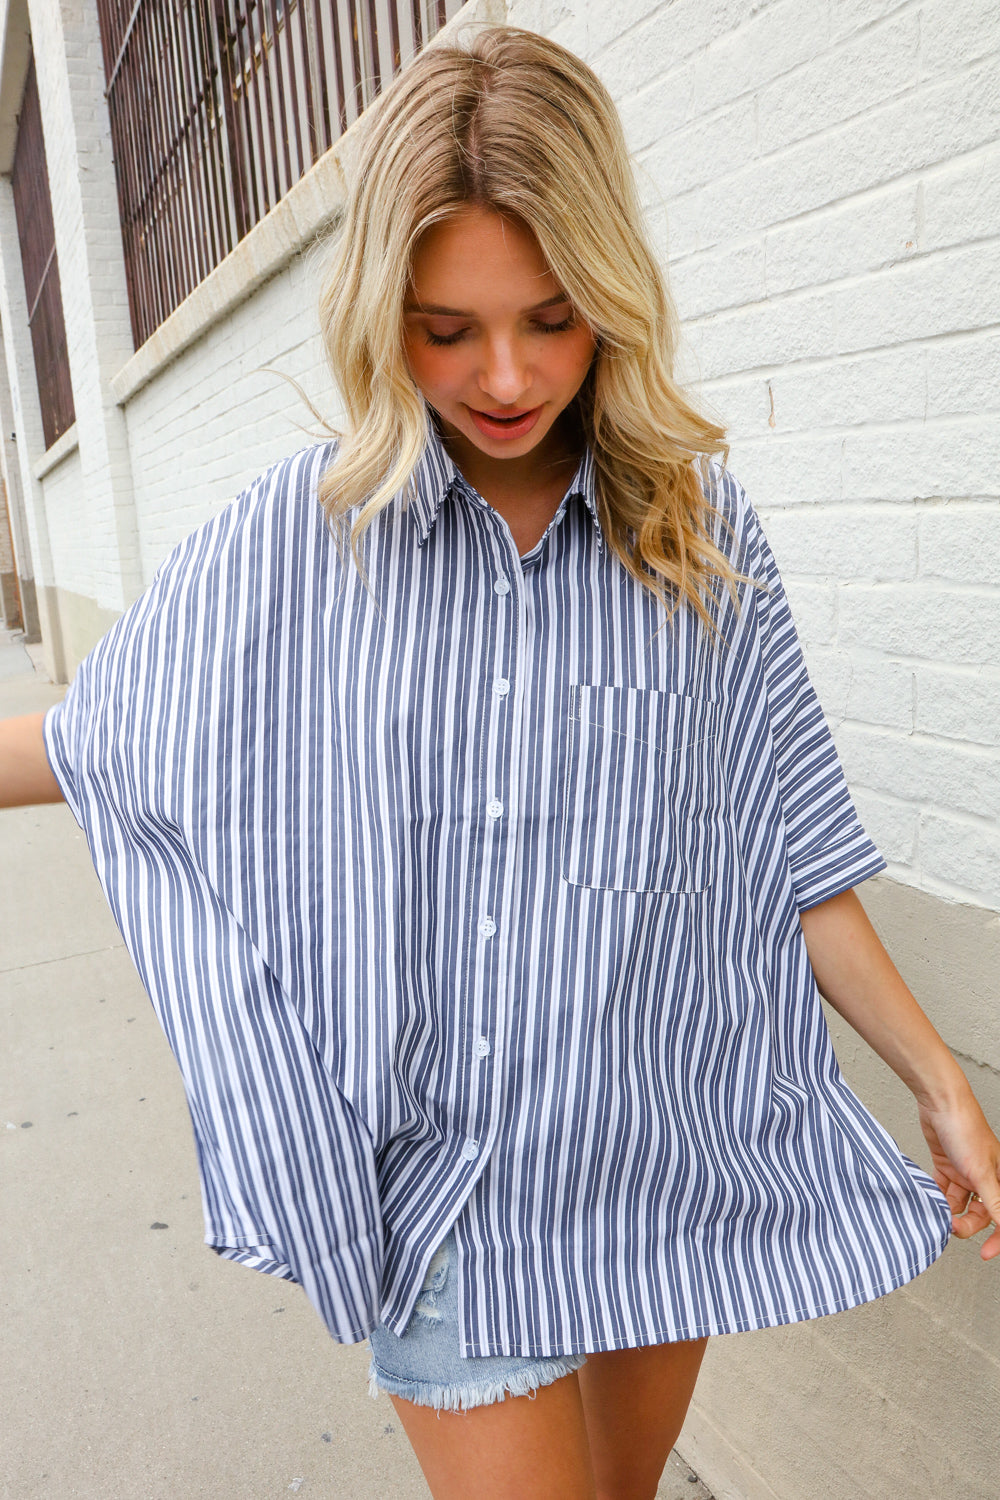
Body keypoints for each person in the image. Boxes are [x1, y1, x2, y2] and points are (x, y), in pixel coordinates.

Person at [2, 24, 998, 1500]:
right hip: (453, 1200)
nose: (507, 374)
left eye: (550, 315)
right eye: (446, 326)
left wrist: (936, 1081)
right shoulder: (304, 538)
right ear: (379, 311)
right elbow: (93, 742)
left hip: (667, 1156)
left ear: (611, 292)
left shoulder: (697, 534)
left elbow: (799, 844)